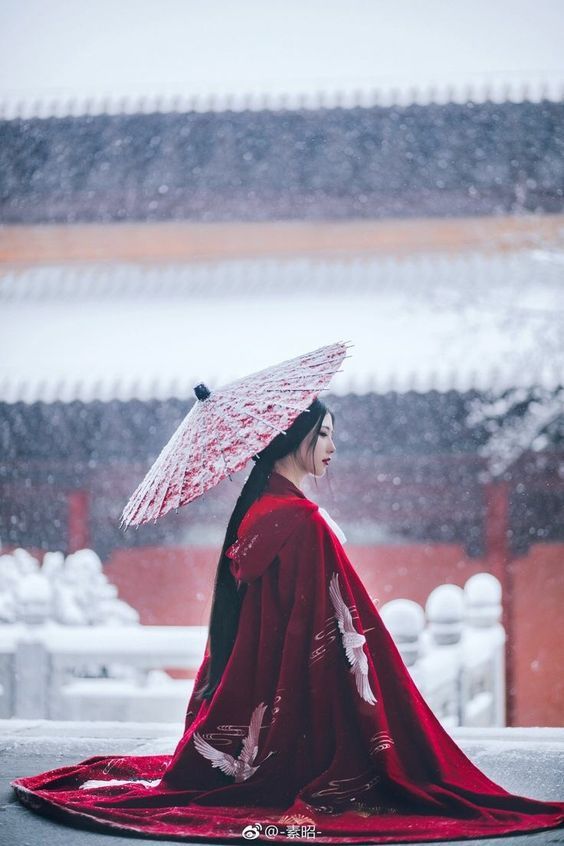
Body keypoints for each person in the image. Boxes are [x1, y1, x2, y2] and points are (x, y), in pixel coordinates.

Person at [10, 398, 564, 843]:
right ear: (292, 438)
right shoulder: (297, 519)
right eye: (323, 434)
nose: (333, 447)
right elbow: (343, 617)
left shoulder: (259, 511)